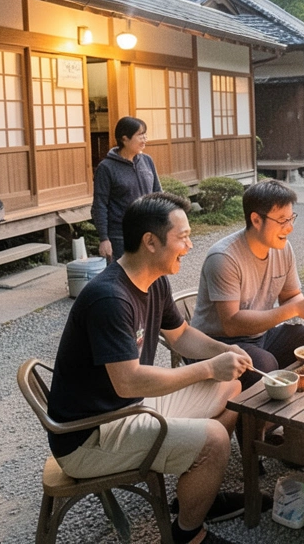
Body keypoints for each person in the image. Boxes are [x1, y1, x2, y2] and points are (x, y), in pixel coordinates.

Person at [47, 192, 256, 544]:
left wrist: (226, 351)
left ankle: (198, 486)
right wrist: (207, 369)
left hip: (126, 410)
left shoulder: (154, 279)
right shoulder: (110, 298)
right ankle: (187, 534)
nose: (190, 245)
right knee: (215, 439)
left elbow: (181, 336)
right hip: (90, 435)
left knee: (232, 388)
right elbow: (128, 381)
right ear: (150, 241)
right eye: (183, 236)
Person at [190, 180, 304, 388]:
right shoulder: (224, 257)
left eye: (291, 218)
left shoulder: (282, 248)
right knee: (266, 365)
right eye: (282, 220)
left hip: (262, 334)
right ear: (256, 220)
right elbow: (232, 324)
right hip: (219, 343)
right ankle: (259, 420)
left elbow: (291, 295)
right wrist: (295, 309)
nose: (290, 228)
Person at [93, 116, 162, 261]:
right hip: (120, 236)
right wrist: (104, 239)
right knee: (123, 280)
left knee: (149, 277)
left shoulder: (147, 161)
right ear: (124, 139)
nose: (145, 139)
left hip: (147, 233)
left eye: (145, 134)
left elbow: (158, 194)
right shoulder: (106, 168)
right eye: (140, 135)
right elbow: (99, 206)